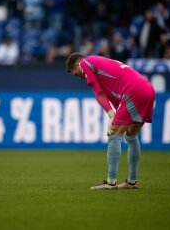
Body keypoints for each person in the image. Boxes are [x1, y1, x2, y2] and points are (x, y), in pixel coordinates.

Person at [66, 53, 155, 190]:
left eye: (76, 73)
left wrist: (111, 115)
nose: (80, 77)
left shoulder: (85, 63)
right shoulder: (100, 65)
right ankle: (131, 181)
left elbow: (98, 93)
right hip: (147, 88)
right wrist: (113, 115)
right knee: (131, 135)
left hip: (134, 90)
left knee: (114, 134)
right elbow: (115, 99)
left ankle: (111, 182)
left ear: (78, 65)